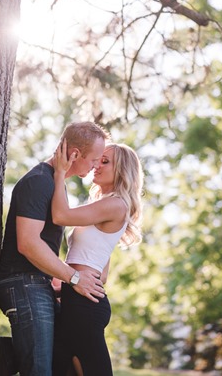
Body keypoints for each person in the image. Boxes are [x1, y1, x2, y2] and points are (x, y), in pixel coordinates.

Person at [0, 121, 110, 376]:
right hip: (22, 283)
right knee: (39, 369)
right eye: (93, 159)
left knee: (64, 364)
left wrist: (58, 278)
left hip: (38, 283)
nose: (95, 165)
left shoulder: (55, 183)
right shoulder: (39, 181)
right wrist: (73, 277)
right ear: (75, 154)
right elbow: (28, 243)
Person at [52, 139, 143, 376]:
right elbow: (100, 273)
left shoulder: (116, 205)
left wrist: (60, 172)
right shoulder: (102, 204)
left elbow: (60, 215)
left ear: (121, 171)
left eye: (105, 161)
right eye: (97, 160)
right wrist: (68, 281)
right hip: (77, 299)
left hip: (84, 307)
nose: (96, 166)